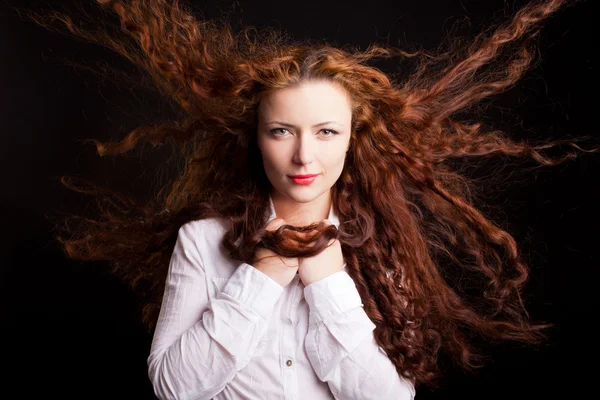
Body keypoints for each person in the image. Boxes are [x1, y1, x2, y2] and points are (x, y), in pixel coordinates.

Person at [25, 0, 598, 399]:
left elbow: (388, 397)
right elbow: (173, 387)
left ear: (352, 141)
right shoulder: (201, 242)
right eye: (282, 131)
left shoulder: (383, 247)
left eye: (326, 132)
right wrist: (265, 271)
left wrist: (328, 284)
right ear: (256, 138)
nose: (304, 157)